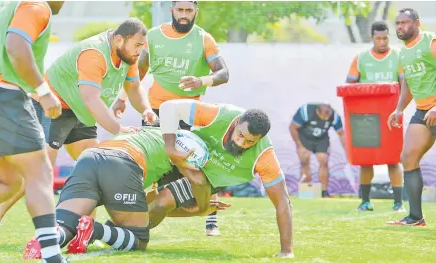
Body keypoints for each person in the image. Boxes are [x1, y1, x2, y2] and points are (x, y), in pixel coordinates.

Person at [0, 18, 158, 244]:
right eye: (137, 46)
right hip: (53, 107)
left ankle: (82, 234)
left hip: (80, 111)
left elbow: (133, 87)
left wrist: (147, 110)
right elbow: (91, 99)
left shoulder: (127, 54)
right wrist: (118, 128)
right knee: (39, 171)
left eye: (143, 47)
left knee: (95, 169)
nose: (139, 52)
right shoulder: (95, 53)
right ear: (119, 39)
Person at [112, 0, 229, 236]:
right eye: (180, 10)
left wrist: (202, 81)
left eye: (188, 10)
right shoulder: (154, 36)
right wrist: (122, 97)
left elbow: (223, 73)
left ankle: (211, 218)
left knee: (201, 162)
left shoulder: (203, 38)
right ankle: (137, 215)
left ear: (196, 11)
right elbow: (139, 70)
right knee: (151, 164)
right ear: (172, 10)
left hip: (191, 111)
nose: (184, 15)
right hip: (155, 111)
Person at [23, 126, 227, 259]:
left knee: (66, 224)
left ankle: (48, 240)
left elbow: (143, 207)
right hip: (122, 163)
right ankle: (94, 230)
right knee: (138, 238)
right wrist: (200, 209)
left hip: (90, 157)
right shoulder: (177, 153)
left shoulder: (154, 135)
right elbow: (152, 211)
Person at [0, 1, 68, 262]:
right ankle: (52, 257)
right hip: (2, 95)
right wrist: (44, 91)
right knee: (40, 172)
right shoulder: (37, 5)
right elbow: (16, 46)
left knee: (9, 180)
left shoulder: (0, 8)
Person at [149, 99, 294, 258]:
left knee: (160, 204)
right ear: (237, 122)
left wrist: (286, 251)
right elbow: (168, 107)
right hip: (182, 156)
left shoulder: (264, 156)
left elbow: (283, 201)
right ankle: (125, 224)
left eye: (249, 142)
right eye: (240, 135)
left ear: (259, 140)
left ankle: (132, 236)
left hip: (209, 178)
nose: (241, 143)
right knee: (141, 200)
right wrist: (170, 148)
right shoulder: (220, 115)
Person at [346, 21, 406, 212]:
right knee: (366, 160)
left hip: (391, 116)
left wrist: (400, 109)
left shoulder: (398, 56)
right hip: (367, 118)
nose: (382, 41)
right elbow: (349, 87)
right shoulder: (361, 58)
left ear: (390, 37)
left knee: (393, 159)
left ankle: (398, 203)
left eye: (385, 38)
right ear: (371, 38)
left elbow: (404, 86)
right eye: (378, 38)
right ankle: (365, 201)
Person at [387, 8, 436, 226]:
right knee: (408, 157)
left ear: (416, 23)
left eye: (404, 23)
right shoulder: (403, 53)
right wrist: (399, 109)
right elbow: (407, 83)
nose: (399, 27)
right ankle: (415, 217)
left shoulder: (430, 42)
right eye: (397, 23)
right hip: (423, 111)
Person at [289, 103, 345, 198]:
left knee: (324, 160)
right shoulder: (305, 112)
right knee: (305, 160)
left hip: (321, 139)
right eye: (323, 117)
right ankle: (306, 191)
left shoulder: (335, 116)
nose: (326, 119)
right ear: (317, 112)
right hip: (304, 138)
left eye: (328, 116)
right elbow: (292, 128)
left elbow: (341, 134)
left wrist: (347, 150)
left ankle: (324, 191)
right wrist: (299, 146)